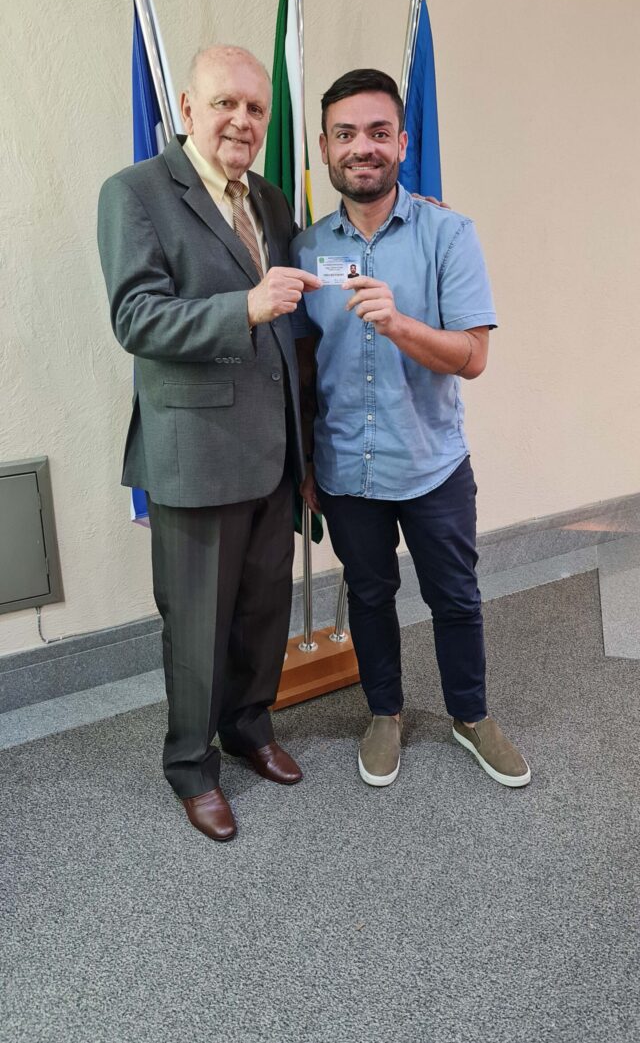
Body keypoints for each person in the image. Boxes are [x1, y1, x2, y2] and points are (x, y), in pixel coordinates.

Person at [97, 45, 321, 841]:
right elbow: (137, 318)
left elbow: (300, 309)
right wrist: (246, 308)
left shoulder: (270, 198)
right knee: (196, 627)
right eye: (225, 102)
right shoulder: (135, 192)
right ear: (188, 109)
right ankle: (192, 767)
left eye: (256, 108)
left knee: (262, 611)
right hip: (194, 452)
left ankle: (250, 728)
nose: (243, 120)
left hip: (273, 447)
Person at [292, 68, 530, 789]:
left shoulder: (449, 233)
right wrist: (306, 464)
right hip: (345, 469)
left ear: (402, 142)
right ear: (326, 149)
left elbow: (473, 357)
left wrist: (397, 323)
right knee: (369, 597)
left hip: (432, 464)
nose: (361, 146)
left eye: (377, 131)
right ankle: (384, 713)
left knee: (455, 597)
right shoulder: (305, 250)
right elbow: (302, 365)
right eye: (344, 134)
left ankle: (471, 716)